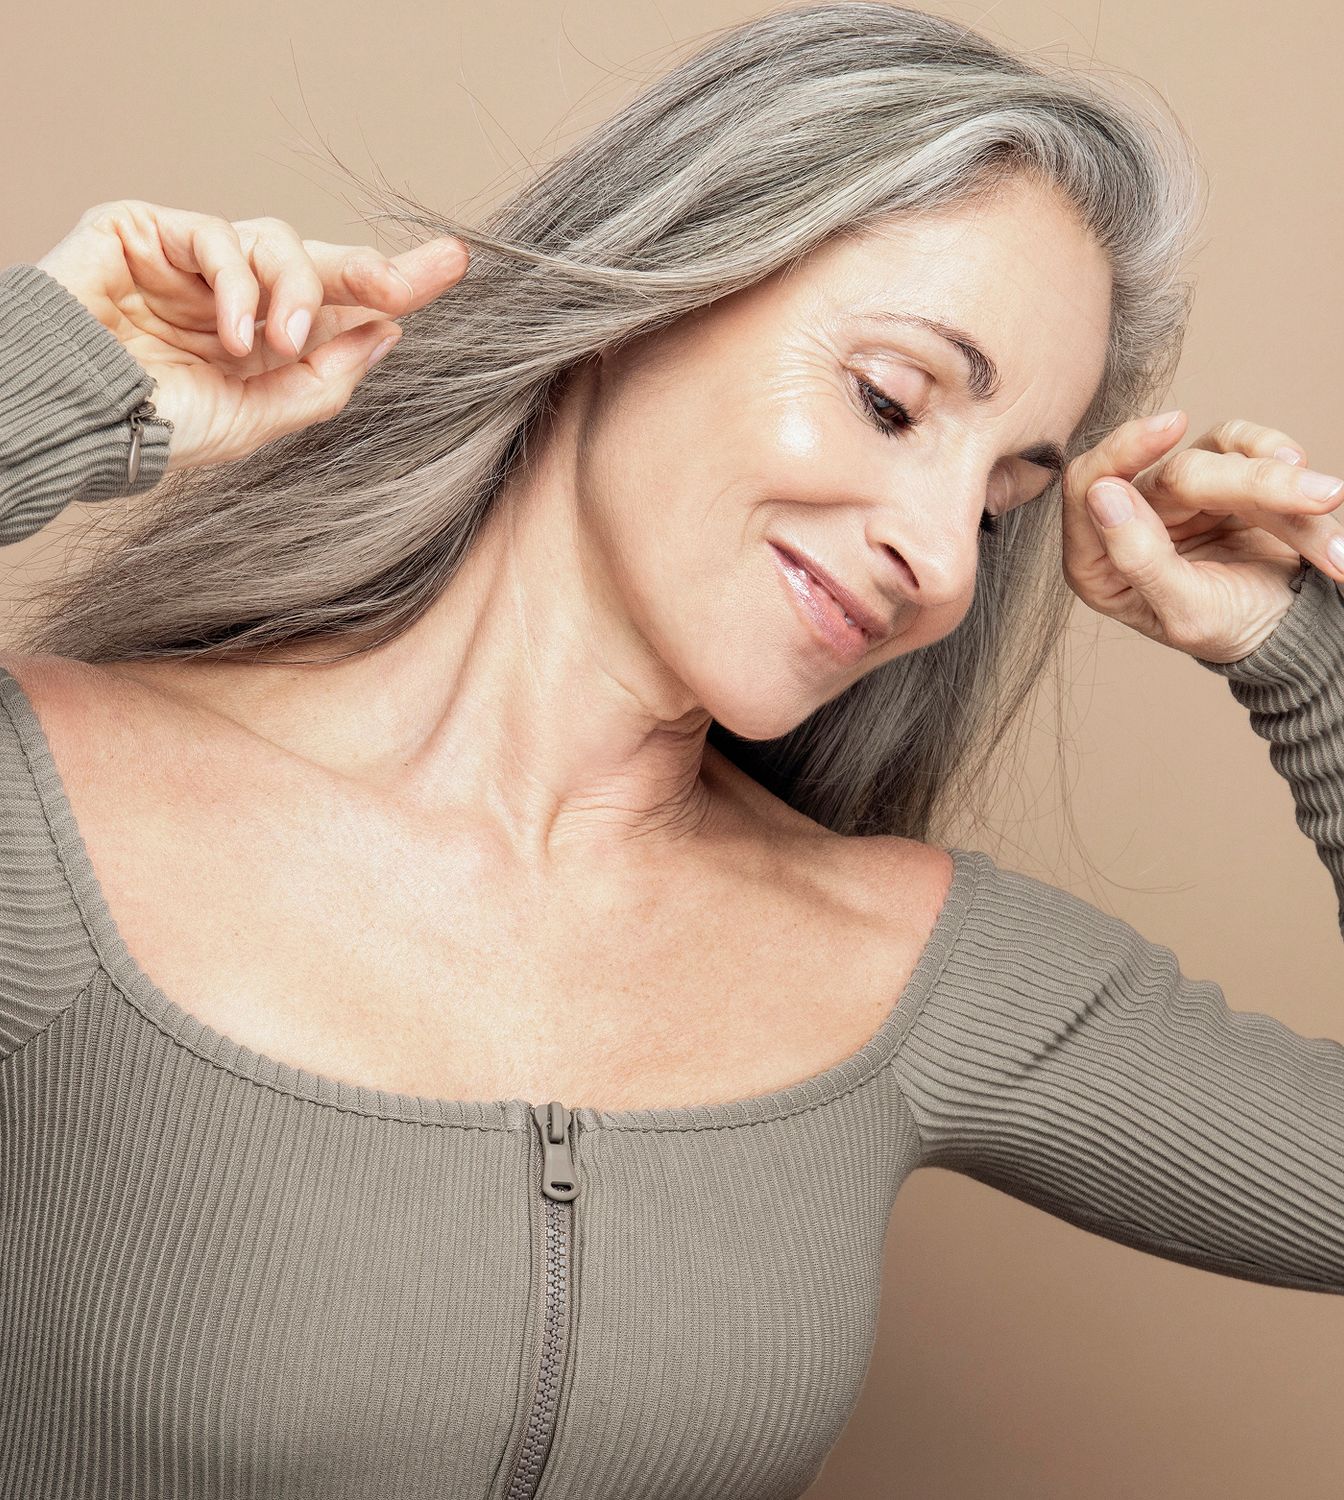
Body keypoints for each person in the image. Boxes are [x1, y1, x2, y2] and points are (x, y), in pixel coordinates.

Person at [0, 6, 1340, 1497]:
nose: (943, 565)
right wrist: (51, 372)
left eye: (1000, 502)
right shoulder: (49, 827)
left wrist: (1305, 666)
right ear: (654, 284)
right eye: (892, 399)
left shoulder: (912, 967)